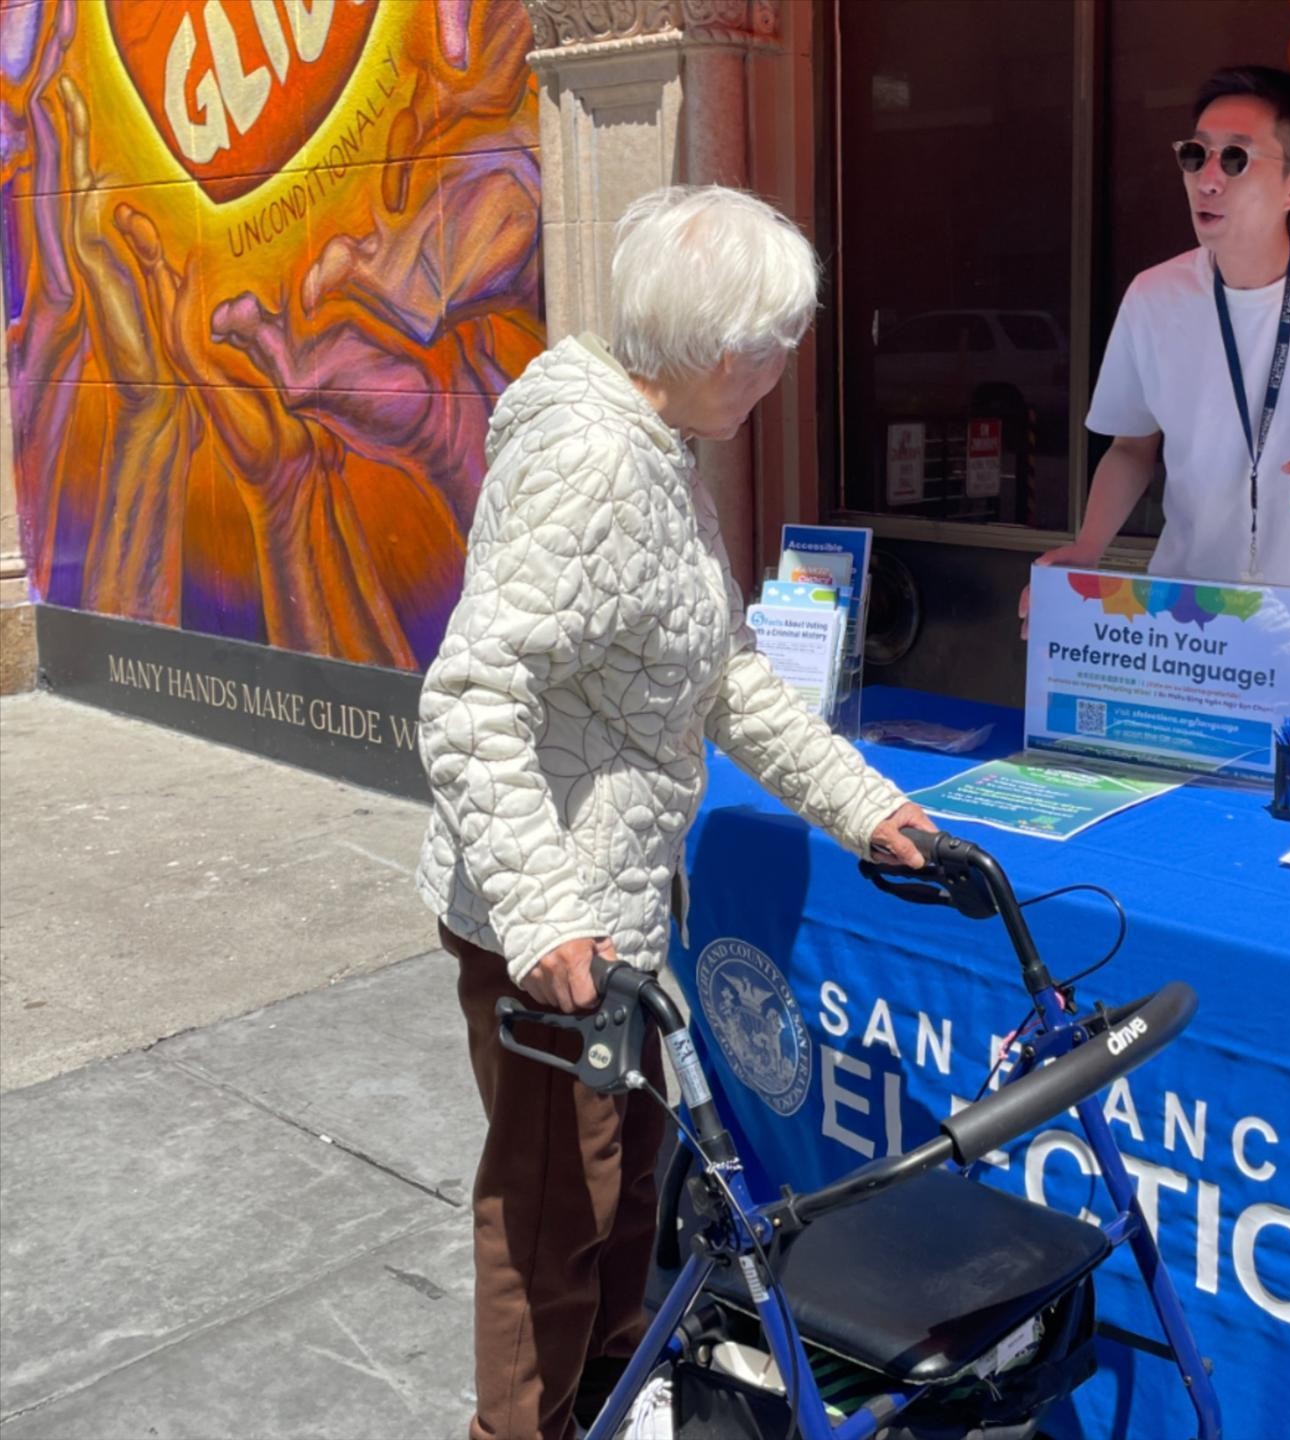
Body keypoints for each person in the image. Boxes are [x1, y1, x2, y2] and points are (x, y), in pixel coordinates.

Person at [415, 184, 935, 1440]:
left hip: (620, 917)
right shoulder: (598, 460)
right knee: (552, 1216)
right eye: (770, 349)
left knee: (619, 1190)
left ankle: (603, 1400)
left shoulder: (655, 450)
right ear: (716, 346)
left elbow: (724, 676)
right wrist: (544, 922)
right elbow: (470, 697)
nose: (777, 376)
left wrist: (864, 809)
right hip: (558, 941)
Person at [1023, 66, 1290, 717]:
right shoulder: (1155, 296)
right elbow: (1133, 448)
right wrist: (1088, 546)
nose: (1208, 176)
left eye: (1236, 157)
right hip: (1182, 635)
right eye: (1195, 155)